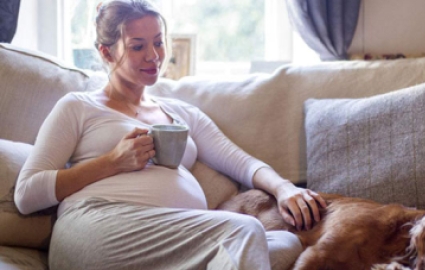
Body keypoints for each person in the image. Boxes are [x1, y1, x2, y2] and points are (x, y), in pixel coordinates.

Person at [14, 1, 326, 269]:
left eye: (158, 42)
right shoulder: (78, 106)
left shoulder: (181, 113)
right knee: (243, 233)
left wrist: (285, 189)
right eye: (137, 46)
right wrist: (112, 162)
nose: (154, 55)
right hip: (97, 225)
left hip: (173, 237)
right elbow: (27, 193)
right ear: (106, 53)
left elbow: (240, 162)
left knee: (284, 241)